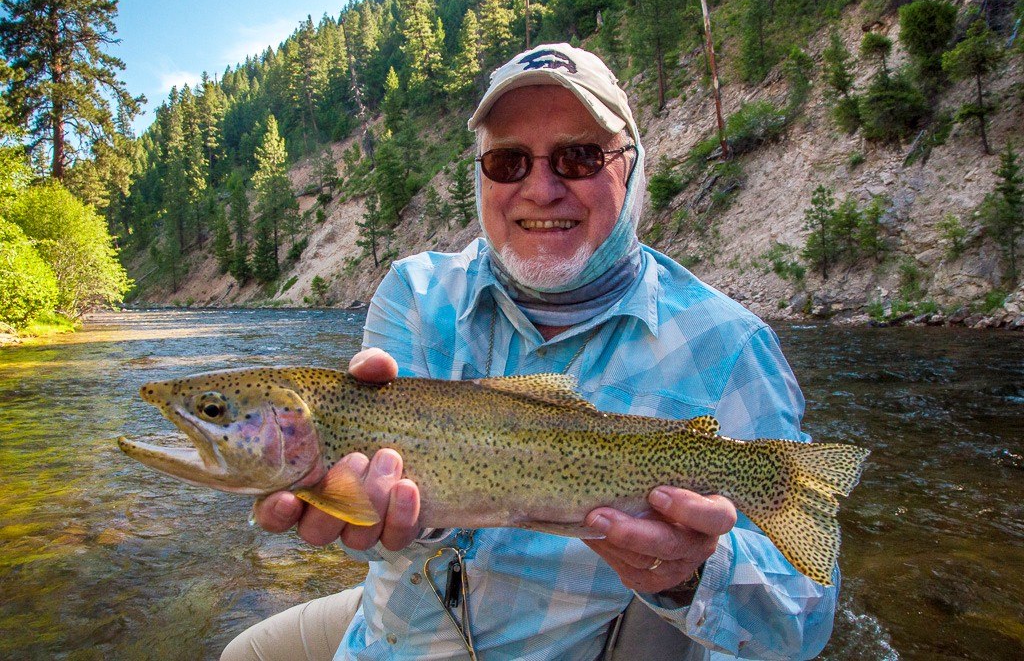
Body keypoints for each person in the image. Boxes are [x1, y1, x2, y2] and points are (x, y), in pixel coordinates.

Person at [223, 43, 839, 661]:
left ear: (632, 168)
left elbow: (804, 623)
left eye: (579, 157)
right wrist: (372, 501)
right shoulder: (414, 293)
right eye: (508, 160)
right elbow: (396, 508)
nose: (541, 189)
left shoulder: (728, 345)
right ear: (481, 175)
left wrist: (691, 573)